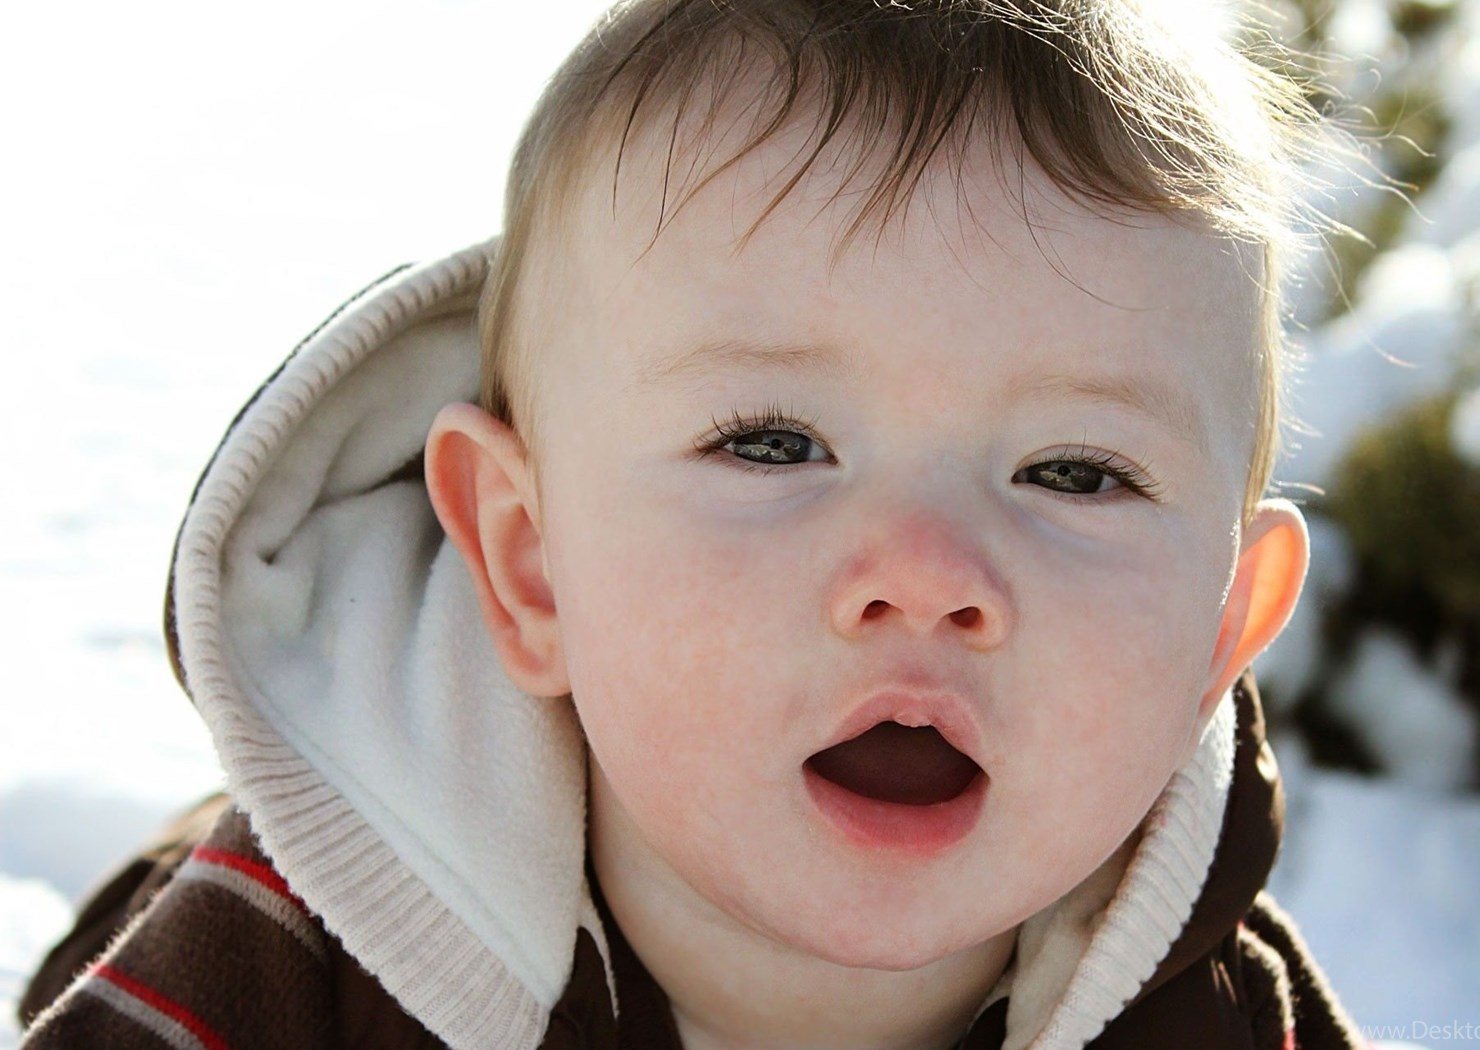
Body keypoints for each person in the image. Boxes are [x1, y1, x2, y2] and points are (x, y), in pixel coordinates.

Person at [18, 0, 1363, 1046]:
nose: (925, 576)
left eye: (1074, 471)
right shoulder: (300, 953)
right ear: (531, 564)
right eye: (773, 444)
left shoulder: (1224, 1018)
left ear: (1221, 626)